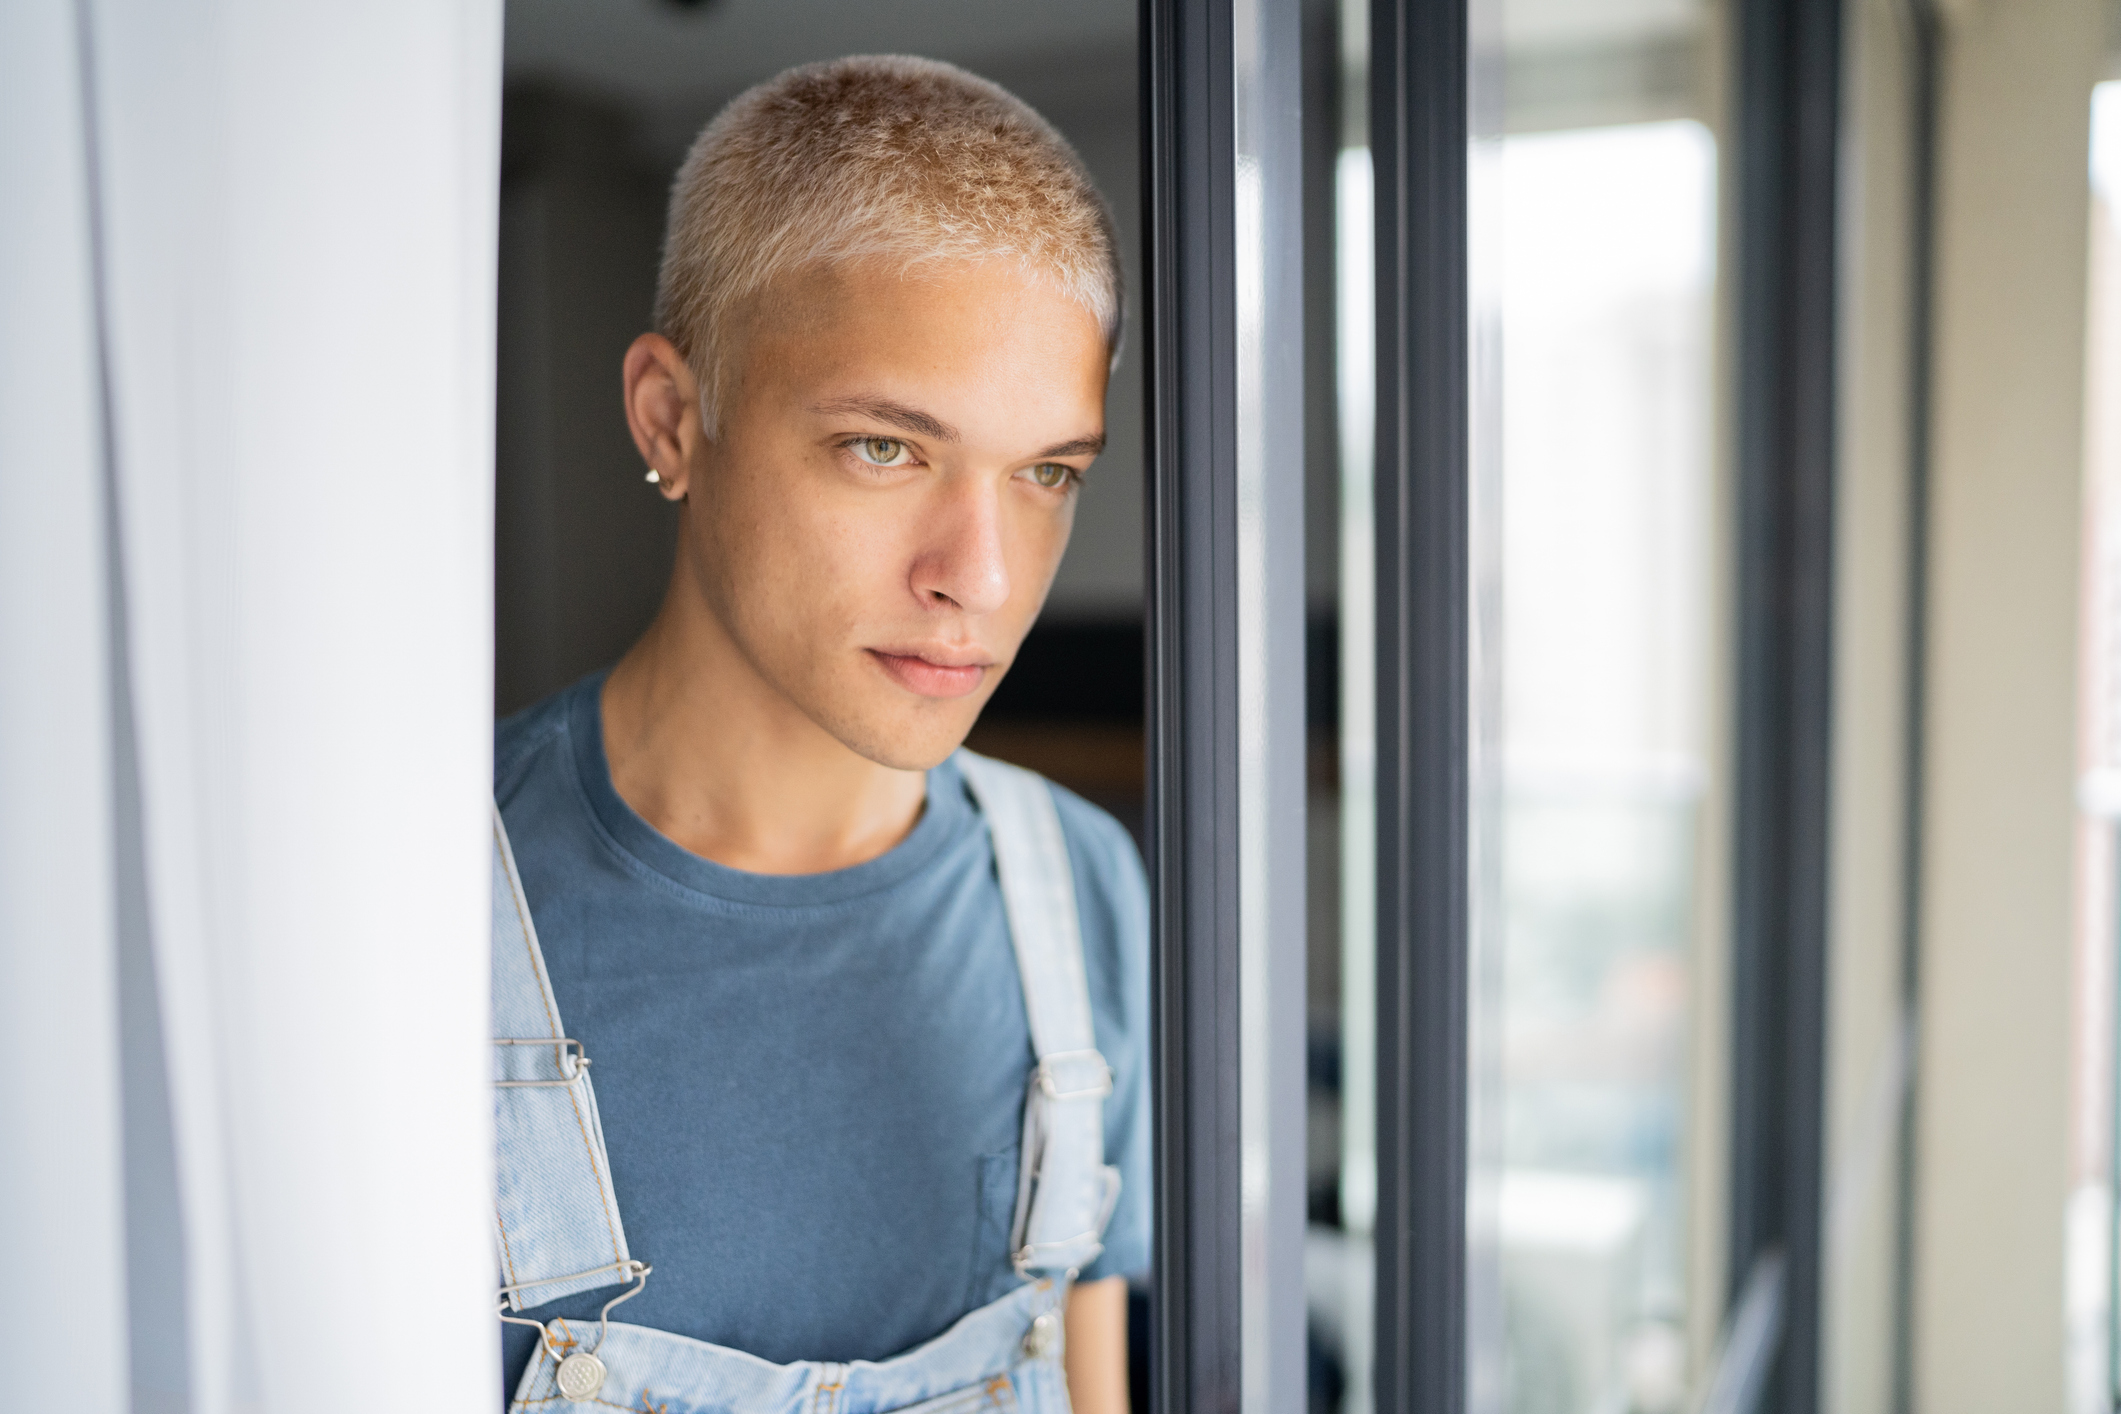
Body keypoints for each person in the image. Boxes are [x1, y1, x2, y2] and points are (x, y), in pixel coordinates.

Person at [489, 55, 1148, 1414]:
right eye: (884, 449)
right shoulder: (409, 911)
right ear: (674, 419)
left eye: (1044, 474)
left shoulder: (1081, 890)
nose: (982, 574)